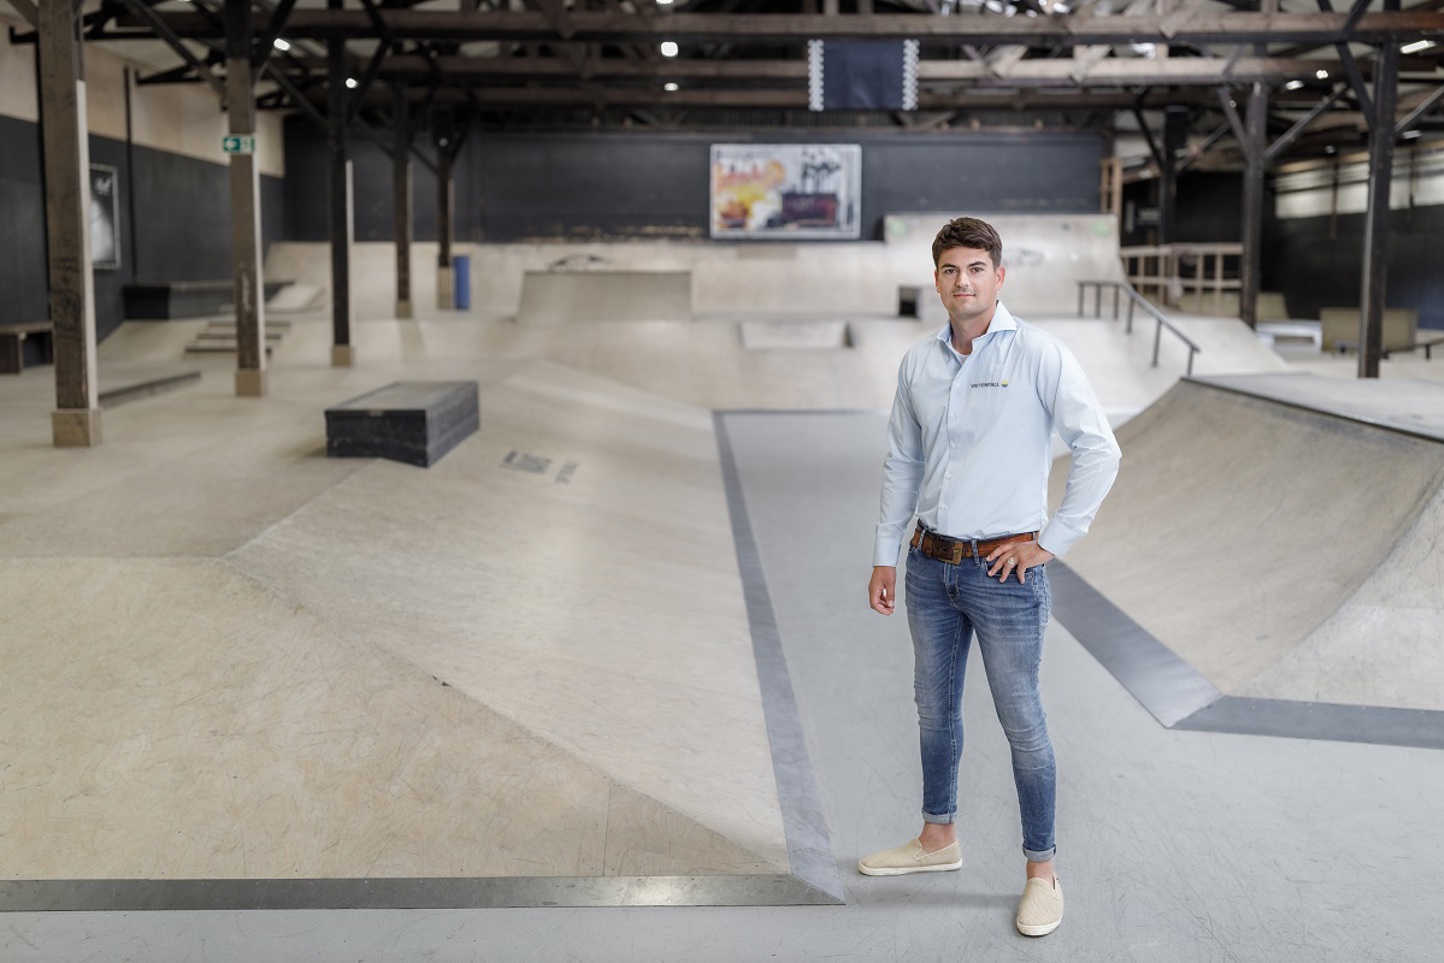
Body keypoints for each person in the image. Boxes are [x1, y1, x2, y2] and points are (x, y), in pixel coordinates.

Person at [859, 216, 1121, 938]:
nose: (963, 280)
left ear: (999, 277)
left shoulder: (1039, 354)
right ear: (936, 279)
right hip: (927, 565)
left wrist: (1052, 539)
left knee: (1022, 721)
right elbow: (903, 463)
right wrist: (886, 552)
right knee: (934, 709)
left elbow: (1100, 449)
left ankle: (1043, 871)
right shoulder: (919, 363)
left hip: (1004, 574)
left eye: (976, 267)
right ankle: (937, 837)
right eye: (950, 269)